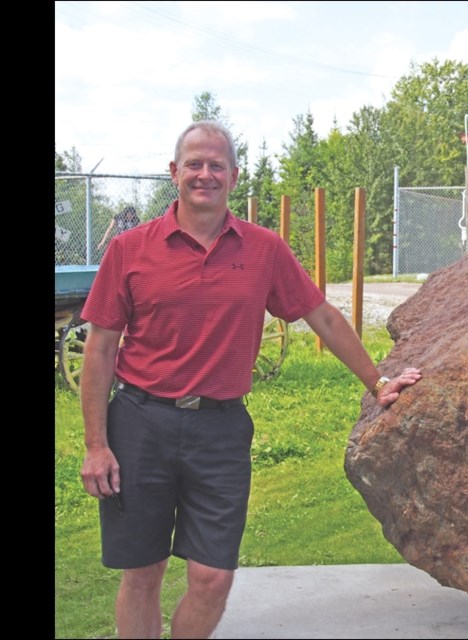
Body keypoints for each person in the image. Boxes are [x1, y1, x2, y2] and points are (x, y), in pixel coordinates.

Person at [79, 120, 422, 639]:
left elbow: (322, 315)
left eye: (217, 164)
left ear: (234, 176)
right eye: (194, 163)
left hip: (220, 431)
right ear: (174, 172)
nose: (205, 173)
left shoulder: (263, 249)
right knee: (143, 574)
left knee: (213, 576)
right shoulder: (130, 249)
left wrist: (378, 382)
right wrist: (96, 446)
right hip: (138, 425)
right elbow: (100, 349)